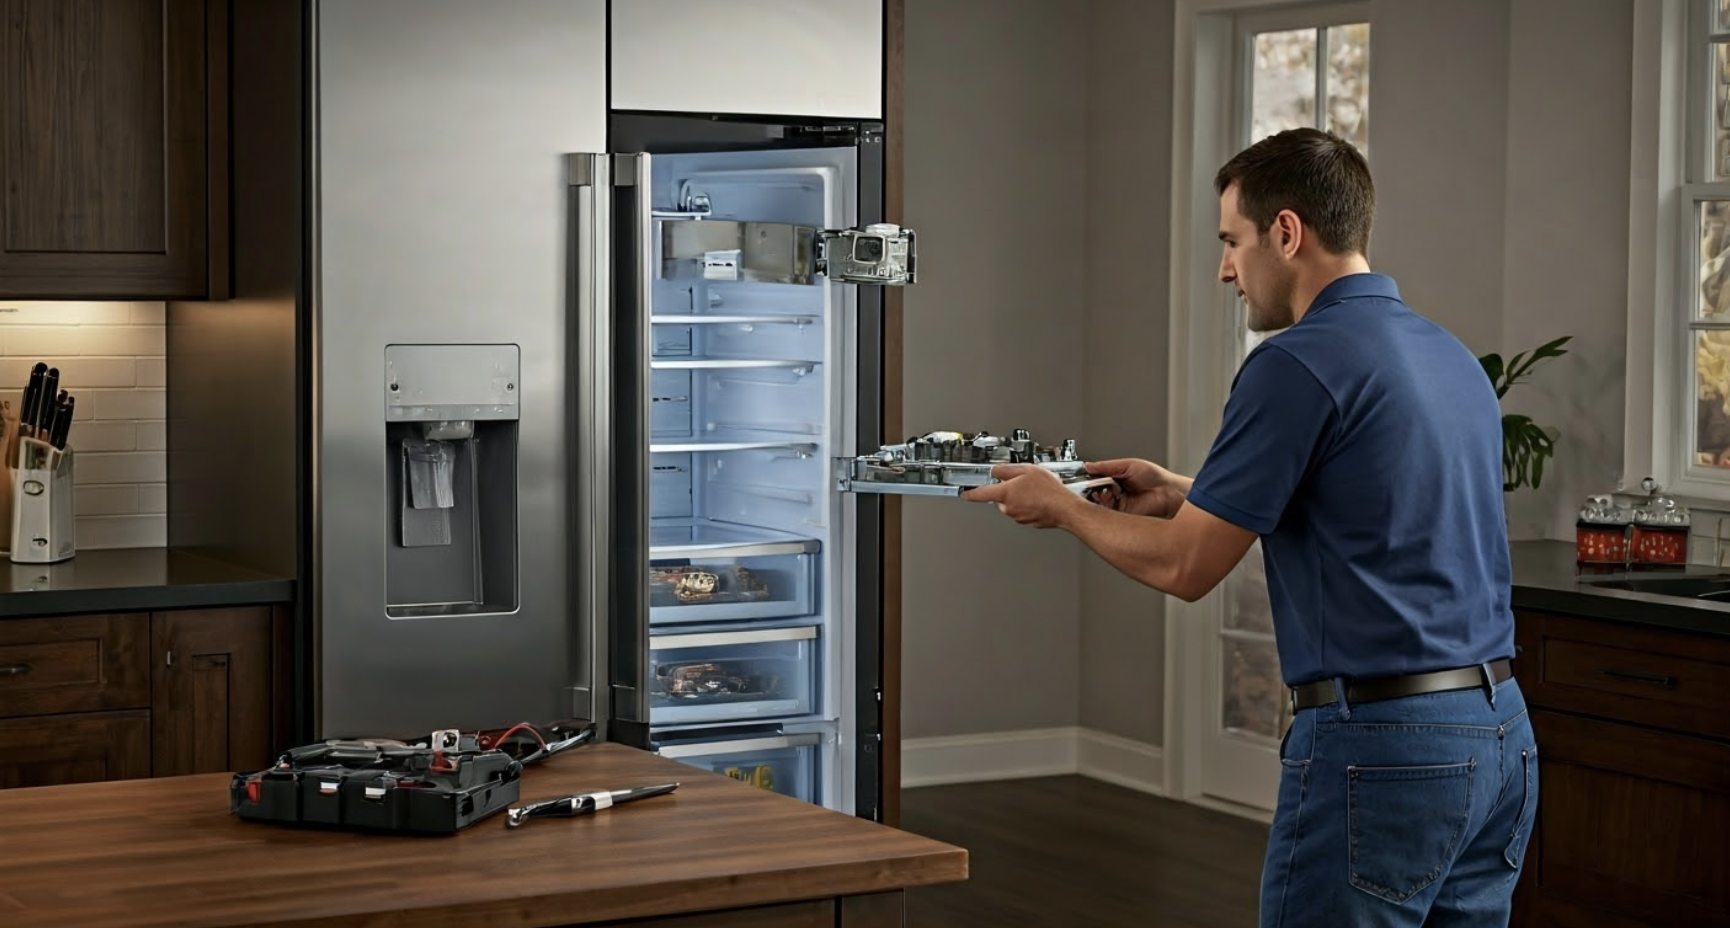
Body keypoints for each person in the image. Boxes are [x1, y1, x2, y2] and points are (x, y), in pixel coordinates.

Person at [962, 127, 1538, 928]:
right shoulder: (1447, 356)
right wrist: (1185, 490)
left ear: (1288, 232)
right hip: (1499, 736)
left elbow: (1186, 570)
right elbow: (1377, 507)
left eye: (1232, 241)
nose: (1225, 268)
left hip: (1381, 747)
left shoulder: (1294, 362)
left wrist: (1058, 506)